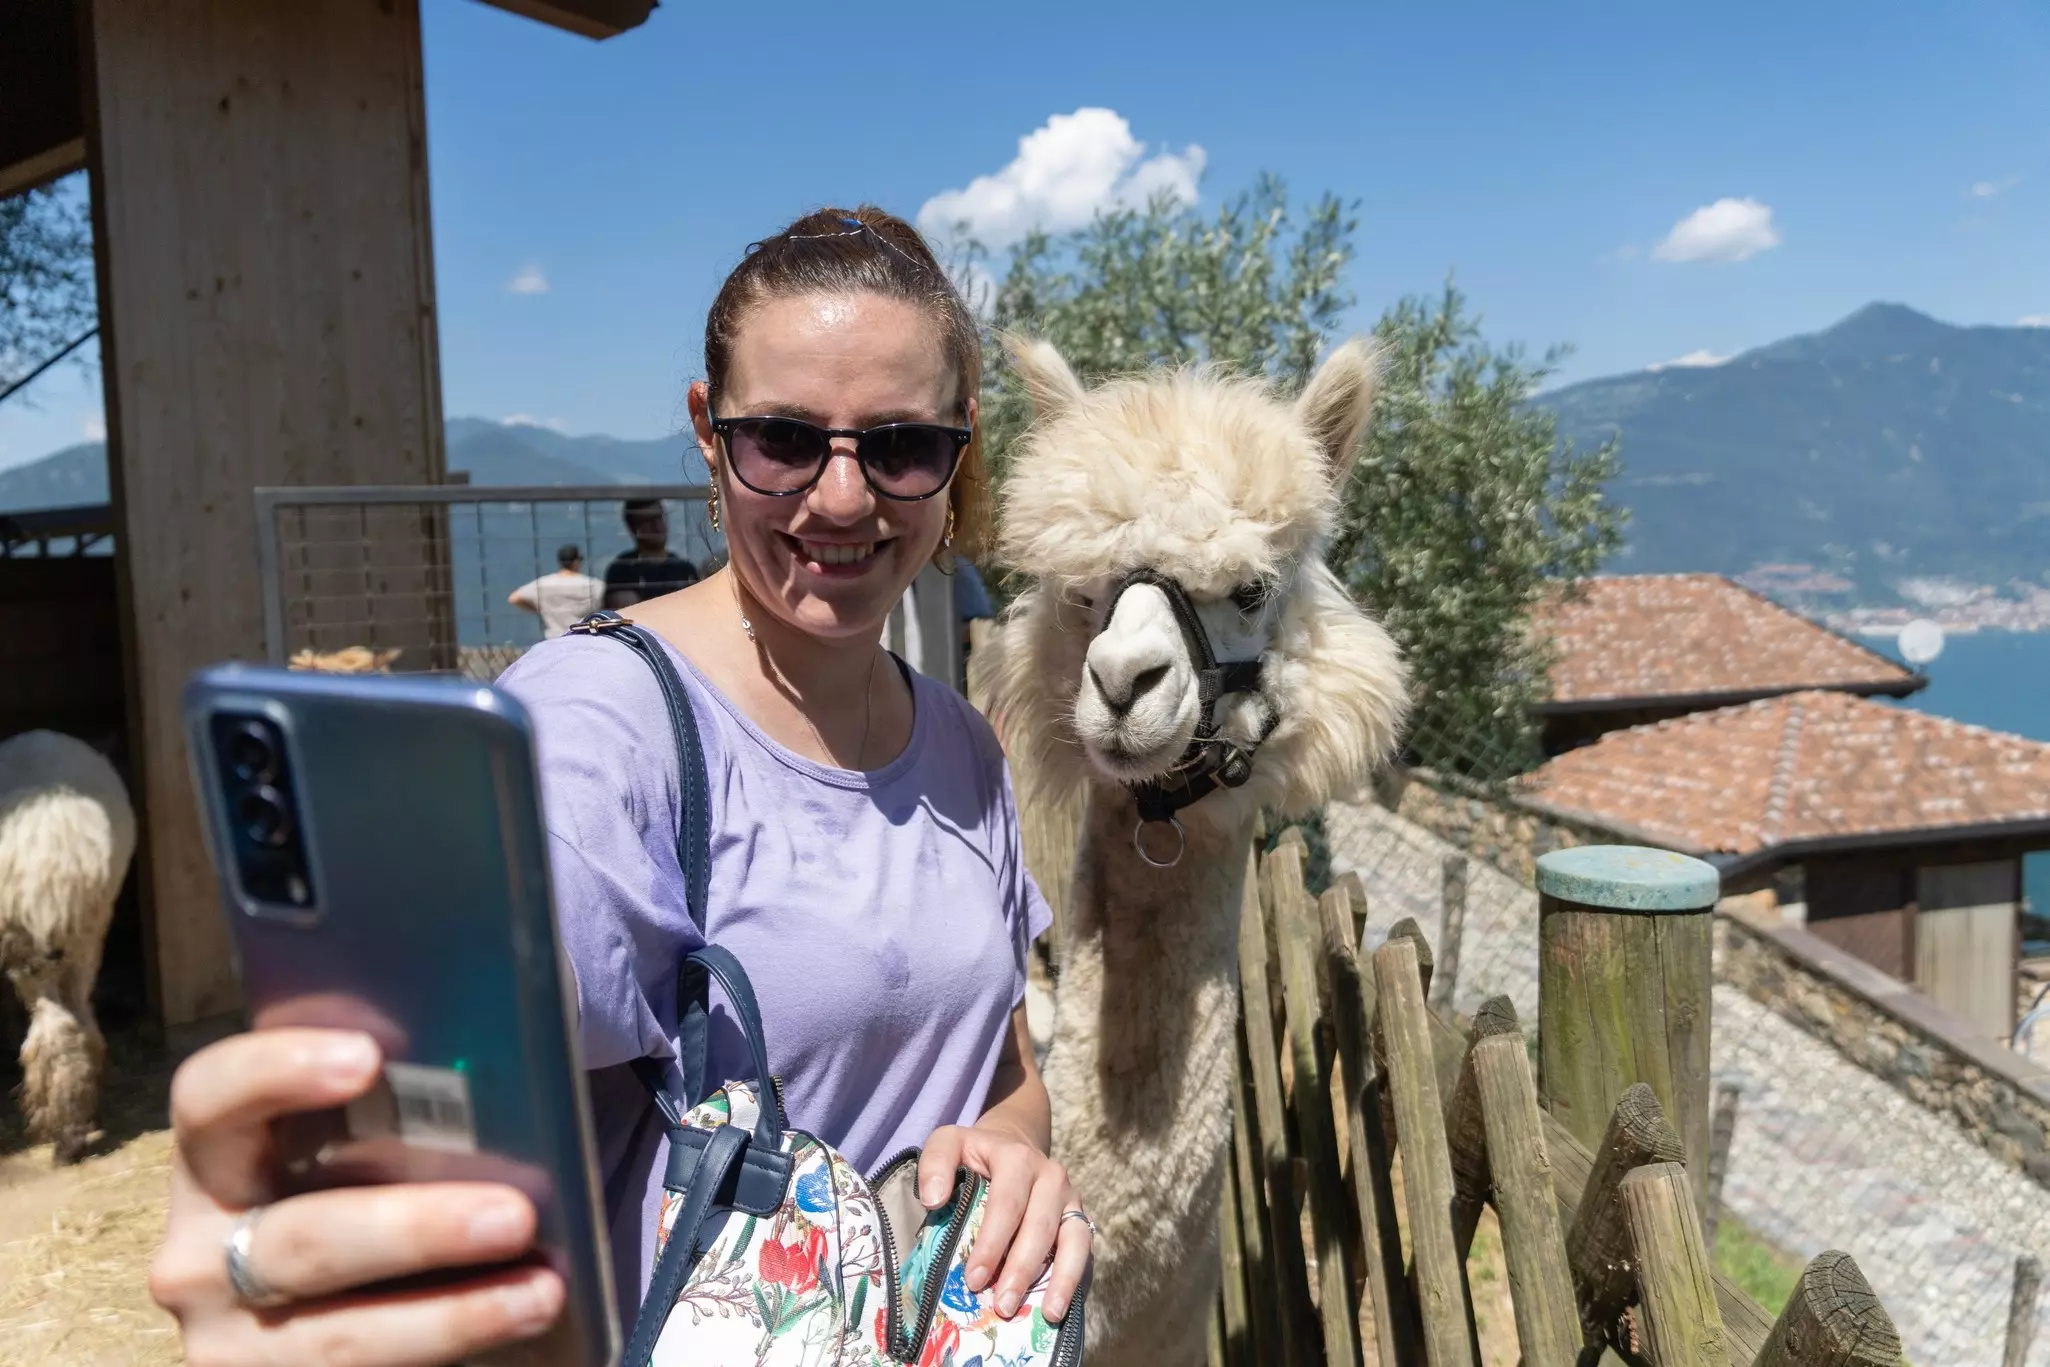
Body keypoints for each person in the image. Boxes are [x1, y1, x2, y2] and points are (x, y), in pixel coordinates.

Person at [149, 205, 1090, 1366]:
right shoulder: (598, 732)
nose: (843, 498)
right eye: (784, 440)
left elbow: (1002, 1066)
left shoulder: (962, 748)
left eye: (898, 446)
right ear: (706, 431)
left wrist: (1013, 1158)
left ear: (958, 449)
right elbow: (425, 1124)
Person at [602, 499, 700, 608]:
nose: (656, 525)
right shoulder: (622, 570)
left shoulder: (684, 568)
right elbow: (628, 614)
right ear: (633, 528)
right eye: (648, 520)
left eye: (659, 517)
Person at [507, 543, 606, 639]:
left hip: (554, 639)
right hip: (583, 637)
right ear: (576, 562)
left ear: (560, 562)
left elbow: (514, 598)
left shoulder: (543, 584)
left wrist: (540, 609)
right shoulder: (594, 585)